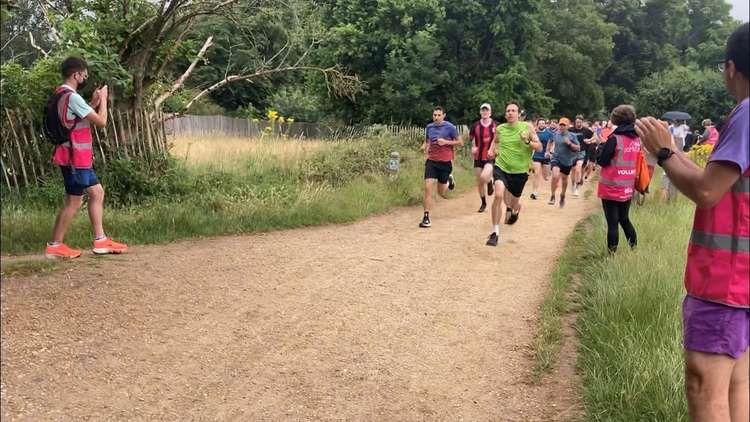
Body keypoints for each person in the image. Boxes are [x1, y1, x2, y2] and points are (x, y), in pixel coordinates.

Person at [635, 22, 748, 422]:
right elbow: (711, 179)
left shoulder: (747, 113)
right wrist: (668, 148)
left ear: (730, 68)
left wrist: (664, 154)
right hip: (743, 283)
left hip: (725, 279)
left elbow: (705, 192)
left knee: (704, 387)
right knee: (736, 386)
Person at [45, 56, 128, 259]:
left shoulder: (61, 94)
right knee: (74, 201)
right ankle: (55, 246)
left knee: (96, 193)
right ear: (76, 74)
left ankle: (100, 240)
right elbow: (100, 121)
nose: (85, 77)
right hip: (75, 158)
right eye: (84, 73)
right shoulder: (72, 97)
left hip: (72, 157)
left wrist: (93, 102)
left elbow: (75, 119)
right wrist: (104, 102)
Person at [485, 102, 542, 246]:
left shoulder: (527, 127)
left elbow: (539, 147)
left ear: (518, 114)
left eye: (513, 111)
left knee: (513, 203)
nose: (510, 113)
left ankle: (515, 210)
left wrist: (527, 141)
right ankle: (495, 232)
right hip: (501, 167)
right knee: (498, 195)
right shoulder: (500, 128)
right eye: (508, 111)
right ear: (505, 114)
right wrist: (492, 150)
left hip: (519, 172)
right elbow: (495, 142)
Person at [596, 105, 640, 253]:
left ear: (616, 119)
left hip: (611, 187)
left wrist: (601, 145)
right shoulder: (636, 139)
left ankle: (611, 255)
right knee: (625, 219)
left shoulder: (614, 138)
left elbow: (602, 161)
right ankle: (634, 249)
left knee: (612, 224)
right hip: (627, 186)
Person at [420, 106, 462, 228]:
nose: (436, 117)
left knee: (441, 192)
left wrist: (446, 142)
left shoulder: (450, 127)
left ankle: (449, 180)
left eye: (439, 115)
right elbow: (427, 141)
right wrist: (424, 146)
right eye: (434, 115)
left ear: (444, 115)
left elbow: (460, 142)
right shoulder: (429, 127)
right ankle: (426, 216)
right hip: (431, 161)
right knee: (428, 188)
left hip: (445, 163)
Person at [469, 103, 497, 213]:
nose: (485, 112)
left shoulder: (495, 125)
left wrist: (492, 149)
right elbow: (471, 139)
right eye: (483, 110)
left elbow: (498, 139)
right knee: (479, 181)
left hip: (490, 155)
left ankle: (490, 181)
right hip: (478, 156)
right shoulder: (475, 125)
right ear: (480, 112)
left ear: (490, 112)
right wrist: (473, 147)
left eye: (487, 110)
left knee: (484, 177)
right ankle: (483, 202)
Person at [548, 117, 580, 208]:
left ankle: (562, 195)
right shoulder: (555, 134)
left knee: (564, 180)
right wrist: (548, 151)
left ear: (568, 126)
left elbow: (578, 148)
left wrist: (569, 143)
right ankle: (553, 195)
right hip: (556, 158)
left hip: (567, 161)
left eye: (564, 125)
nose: (561, 127)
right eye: (560, 125)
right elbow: (550, 141)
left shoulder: (572, 136)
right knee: (555, 175)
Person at [569, 115, 594, 197]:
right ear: (574, 122)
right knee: (573, 171)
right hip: (572, 152)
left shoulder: (586, 131)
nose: (578, 124)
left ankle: (576, 188)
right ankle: (573, 185)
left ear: (582, 122)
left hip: (581, 152)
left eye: (579, 122)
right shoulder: (570, 129)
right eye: (577, 122)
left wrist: (589, 140)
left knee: (578, 168)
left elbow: (595, 136)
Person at [530, 118, 553, 200]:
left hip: (545, 156)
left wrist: (550, 152)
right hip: (536, 155)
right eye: (540, 123)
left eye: (543, 123)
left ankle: (549, 174)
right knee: (536, 173)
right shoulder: (534, 133)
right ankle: (534, 192)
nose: (542, 125)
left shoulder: (549, 133)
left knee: (546, 177)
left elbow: (552, 143)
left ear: (545, 124)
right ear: (537, 124)